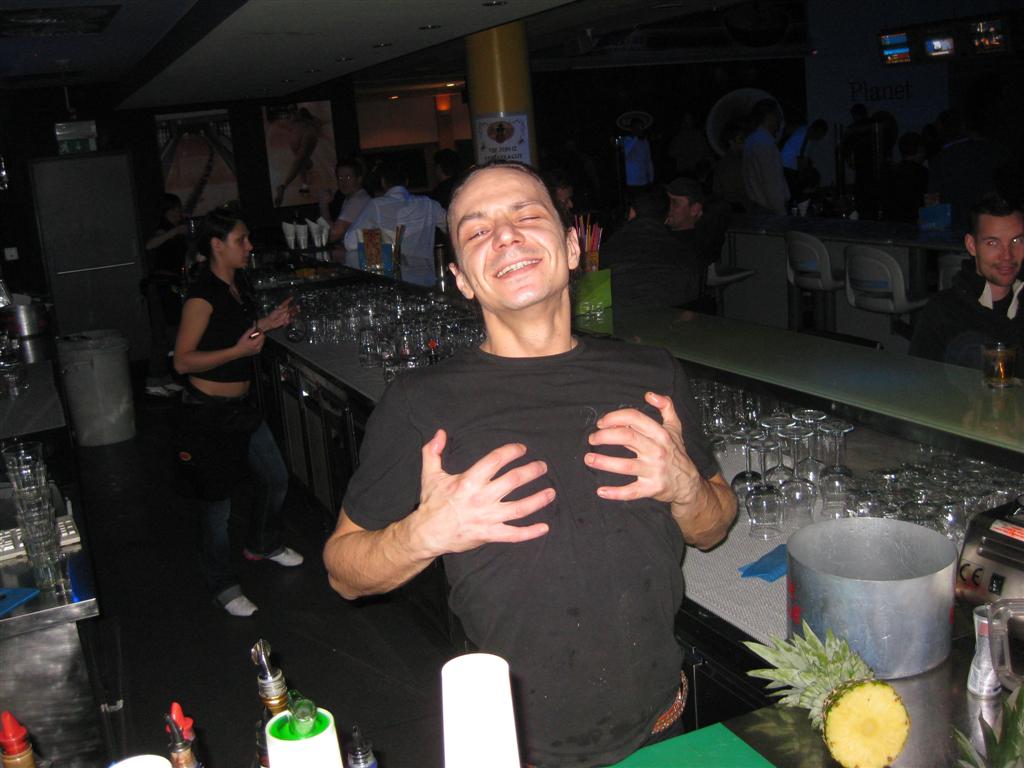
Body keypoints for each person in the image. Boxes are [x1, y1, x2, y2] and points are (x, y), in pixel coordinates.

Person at [323, 161, 737, 768]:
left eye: (526, 215)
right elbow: (343, 571)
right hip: (513, 747)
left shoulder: (652, 373)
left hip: (661, 726)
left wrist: (686, 489)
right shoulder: (419, 403)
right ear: (462, 279)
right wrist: (425, 533)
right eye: (476, 230)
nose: (505, 235)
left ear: (571, 248)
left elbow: (713, 527)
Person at [173, 208, 304, 617]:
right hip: (207, 413)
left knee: (276, 478)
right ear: (217, 245)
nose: (249, 246)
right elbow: (182, 361)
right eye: (240, 240)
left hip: (240, 407)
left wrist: (267, 323)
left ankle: (262, 544)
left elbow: (234, 332)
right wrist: (238, 350)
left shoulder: (236, 285)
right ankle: (222, 585)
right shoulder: (202, 295)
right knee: (217, 507)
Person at [909, 194, 1023, 368]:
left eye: (1017, 241)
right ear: (971, 245)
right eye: (993, 243)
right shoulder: (943, 312)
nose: (1007, 255)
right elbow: (919, 377)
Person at [343, 160, 448, 288]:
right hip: (427, 282)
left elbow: (350, 242)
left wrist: (380, 237)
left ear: (383, 182)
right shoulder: (429, 204)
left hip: (394, 282)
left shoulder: (376, 205)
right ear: (407, 181)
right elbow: (452, 227)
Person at [600, 186, 701, 307]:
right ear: (666, 218)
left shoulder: (608, 249)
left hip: (619, 316)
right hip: (669, 316)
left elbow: (593, 295)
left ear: (631, 213)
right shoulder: (683, 253)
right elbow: (693, 294)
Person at [143, 193, 188, 397]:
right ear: (166, 211)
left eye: (179, 209)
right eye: (175, 209)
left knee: (170, 331)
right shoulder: (165, 229)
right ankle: (154, 379)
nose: (179, 213)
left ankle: (163, 378)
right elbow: (150, 245)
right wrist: (175, 231)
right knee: (162, 332)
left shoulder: (174, 231)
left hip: (170, 285)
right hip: (160, 287)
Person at [742, 99, 788, 214]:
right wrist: (781, 212)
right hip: (769, 210)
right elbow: (771, 182)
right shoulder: (765, 144)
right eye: (778, 116)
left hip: (756, 206)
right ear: (770, 117)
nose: (780, 120)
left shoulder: (750, 140)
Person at [319, 157, 370, 245]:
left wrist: (323, 205)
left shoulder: (358, 200)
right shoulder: (351, 198)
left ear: (359, 179)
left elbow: (332, 236)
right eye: (340, 178)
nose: (344, 182)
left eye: (348, 177)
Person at [881, 132, 929, 223]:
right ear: (920, 149)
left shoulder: (891, 172)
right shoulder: (922, 173)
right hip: (914, 224)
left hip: (893, 224)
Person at [622, 116, 655, 189]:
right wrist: (635, 138)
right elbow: (624, 153)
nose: (640, 129)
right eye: (638, 127)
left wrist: (651, 177)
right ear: (632, 128)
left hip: (644, 180)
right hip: (631, 181)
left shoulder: (645, 142)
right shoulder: (626, 140)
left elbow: (648, 160)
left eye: (642, 127)